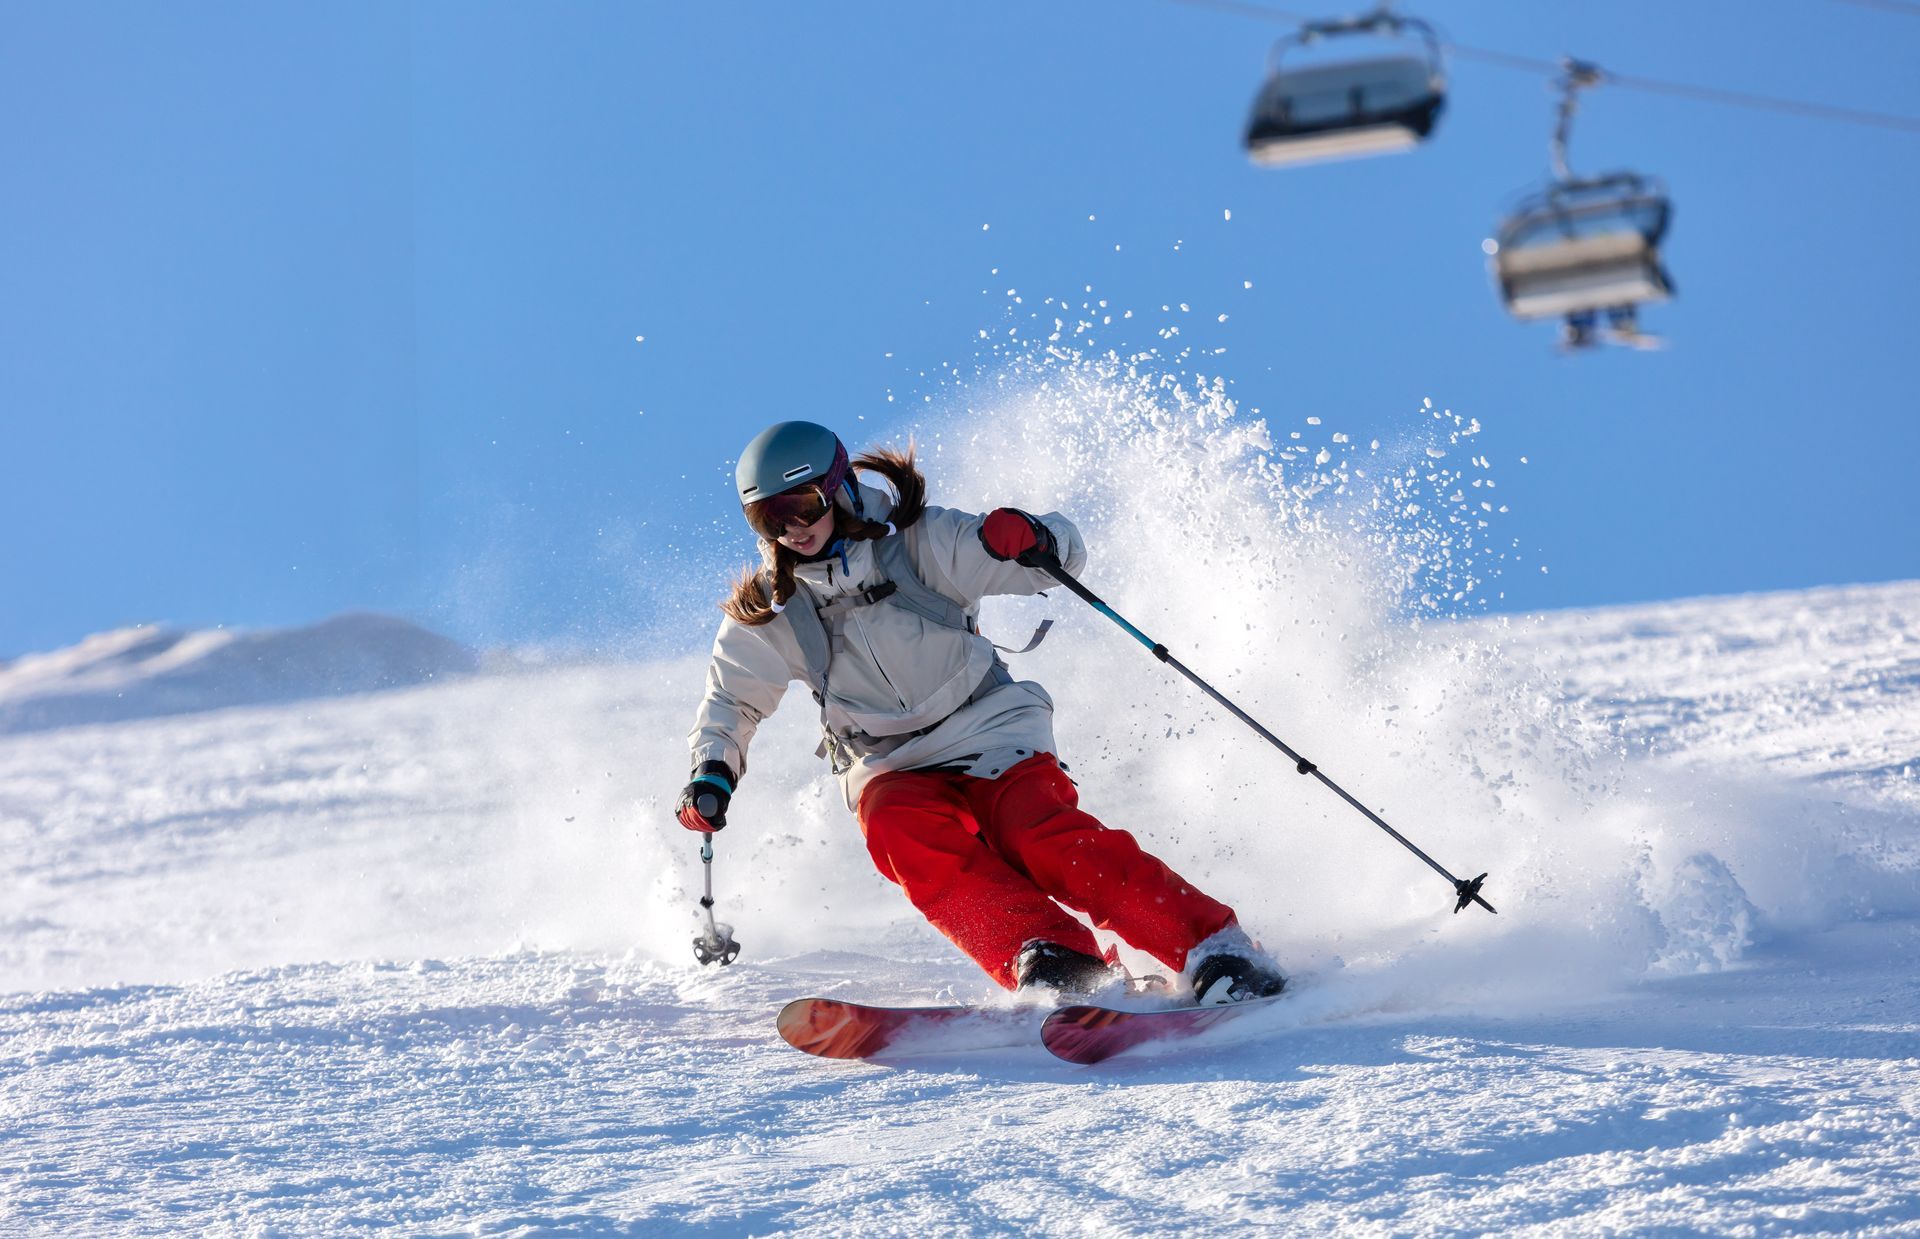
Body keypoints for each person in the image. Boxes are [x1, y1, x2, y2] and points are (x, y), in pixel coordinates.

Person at [677, 420, 1285, 1003]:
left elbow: (1058, 558)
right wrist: (713, 770)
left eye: (803, 505)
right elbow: (732, 699)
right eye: (769, 516)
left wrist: (1030, 539)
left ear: (839, 490)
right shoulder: (771, 607)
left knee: (1040, 836)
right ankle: (1054, 956)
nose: (792, 528)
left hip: (988, 727)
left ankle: (1213, 947)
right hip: (886, 761)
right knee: (901, 834)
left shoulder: (919, 543)